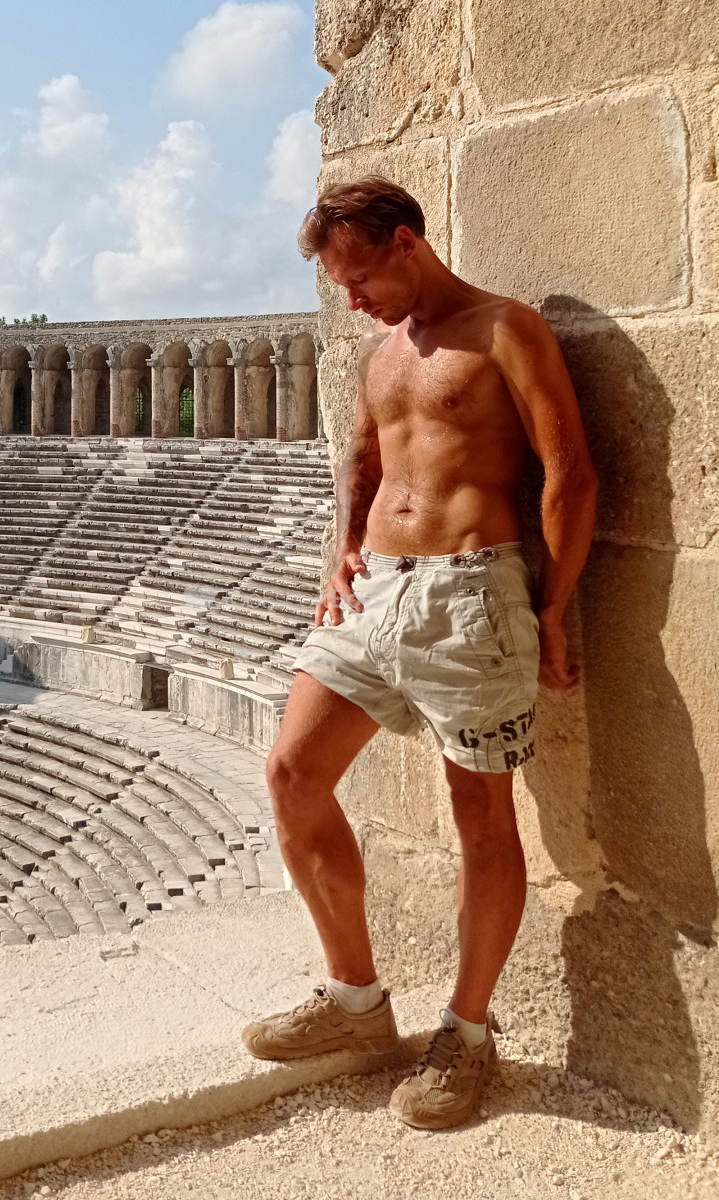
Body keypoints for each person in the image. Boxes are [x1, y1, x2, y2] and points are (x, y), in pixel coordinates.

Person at [240, 176, 599, 1130]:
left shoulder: (505, 329)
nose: (353, 298)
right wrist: (338, 552)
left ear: (407, 242)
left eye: (359, 276)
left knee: (480, 816)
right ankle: (355, 1001)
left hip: (471, 592)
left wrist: (553, 608)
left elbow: (569, 473)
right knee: (291, 774)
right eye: (338, 284)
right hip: (371, 594)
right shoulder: (380, 351)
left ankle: (467, 1035)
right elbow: (361, 460)